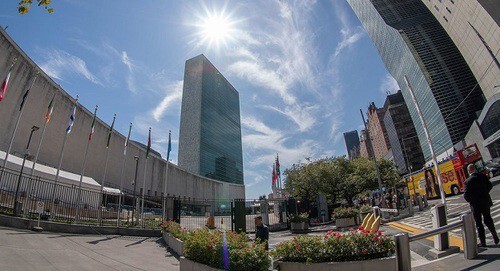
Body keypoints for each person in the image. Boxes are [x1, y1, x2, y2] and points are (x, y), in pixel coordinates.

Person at [464, 164, 499, 247]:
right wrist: (485, 193)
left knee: (479, 223)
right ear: (475, 169)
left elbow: (466, 196)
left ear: (469, 171)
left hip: (475, 205)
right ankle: (494, 235)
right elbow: (490, 186)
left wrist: (472, 200)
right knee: (488, 219)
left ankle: (483, 242)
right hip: (485, 201)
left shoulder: (467, 182)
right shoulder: (483, 176)